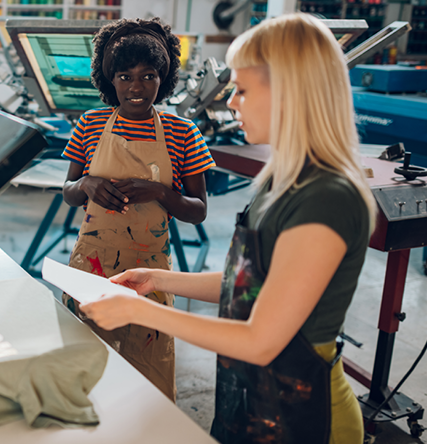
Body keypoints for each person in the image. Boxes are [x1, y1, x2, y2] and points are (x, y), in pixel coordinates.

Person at [79, 13, 376, 444]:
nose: (232, 102)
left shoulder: (326, 197)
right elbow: (256, 284)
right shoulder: (284, 181)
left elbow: (260, 340)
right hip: (254, 403)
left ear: (289, 92)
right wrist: (156, 279)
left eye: (242, 89)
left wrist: (139, 311)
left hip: (305, 419)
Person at [61, 17, 215, 401]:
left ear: (163, 78)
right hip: (91, 267)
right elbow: (68, 193)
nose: (136, 87)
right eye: (125, 76)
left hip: (150, 272)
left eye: (148, 76)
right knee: (83, 366)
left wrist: (162, 192)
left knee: (150, 375)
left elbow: (198, 212)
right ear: (109, 79)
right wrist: (86, 185)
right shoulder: (90, 125)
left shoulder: (182, 133)